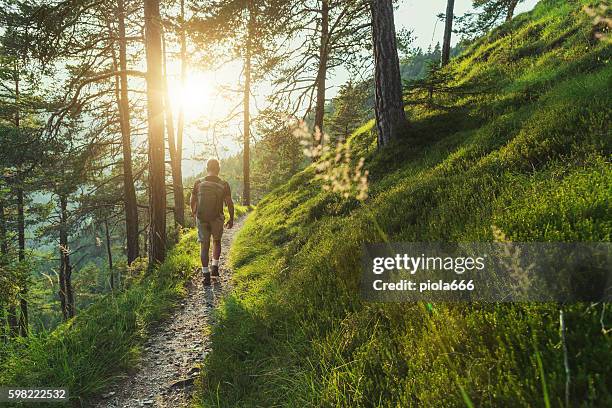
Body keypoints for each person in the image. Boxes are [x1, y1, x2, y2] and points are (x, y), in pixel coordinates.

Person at [190, 158, 234, 286]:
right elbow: (229, 203)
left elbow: (192, 200)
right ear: (218, 169)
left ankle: (206, 275)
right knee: (216, 241)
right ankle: (215, 267)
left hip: (202, 218)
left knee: (204, 245)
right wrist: (231, 218)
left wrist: (195, 213)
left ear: (207, 168)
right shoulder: (224, 184)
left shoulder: (198, 182)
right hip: (217, 218)